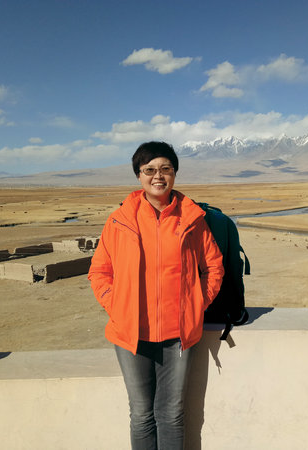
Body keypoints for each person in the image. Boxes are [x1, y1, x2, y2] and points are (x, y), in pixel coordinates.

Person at [88, 141, 224, 450]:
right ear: (138, 175)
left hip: (178, 334)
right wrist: (117, 306)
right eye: (149, 170)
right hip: (131, 333)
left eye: (165, 169)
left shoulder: (192, 219)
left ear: (174, 173)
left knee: (172, 413)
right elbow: (99, 271)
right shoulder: (120, 220)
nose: (158, 176)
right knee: (141, 414)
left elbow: (214, 267)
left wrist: (196, 304)